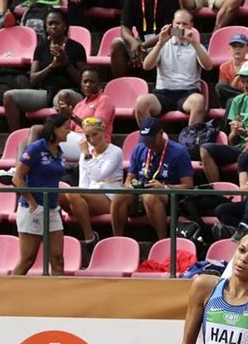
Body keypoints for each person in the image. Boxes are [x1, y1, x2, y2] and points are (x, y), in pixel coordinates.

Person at [3, 9, 86, 131]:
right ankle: (15, 135)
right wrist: (52, 66)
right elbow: (33, 79)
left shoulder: (76, 48)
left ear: (64, 26)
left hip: (70, 92)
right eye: (50, 23)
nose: (53, 26)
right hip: (46, 93)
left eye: (57, 23)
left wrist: (66, 63)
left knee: (63, 95)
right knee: (9, 96)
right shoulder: (41, 48)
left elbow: (83, 82)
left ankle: (62, 135)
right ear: (46, 27)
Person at [111, 116, 194, 239]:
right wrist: (131, 185)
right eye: (146, 141)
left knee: (150, 195)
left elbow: (188, 185)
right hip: (139, 194)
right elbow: (129, 179)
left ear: (161, 134)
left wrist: (164, 187)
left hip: (168, 195)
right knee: (120, 194)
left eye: (152, 140)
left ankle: (162, 240)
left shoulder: (179, 151)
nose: (149, 145)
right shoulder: (139, 149)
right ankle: (117, 239)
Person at [200, 61, 248, 183]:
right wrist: (237, 132)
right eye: (243, 82)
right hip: (241, 146)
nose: (245, 85)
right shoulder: (237, 101)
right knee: (205, 150)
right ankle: (217, 190)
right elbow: (232, 140)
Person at [11, 114, 70, 276]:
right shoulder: (36, 148)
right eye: (66, 127)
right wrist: (32, 204)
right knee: (27, 259)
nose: (69, 131)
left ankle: (58, 298)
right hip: (32, 209)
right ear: (55, 129)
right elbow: (17, 177)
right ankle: (11, 293)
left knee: (58, 258)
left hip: (51, 209)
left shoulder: (58, 151)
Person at [135, 9, 213, 128]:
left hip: (188, 92)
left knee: (198, 101)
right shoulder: (163, 44)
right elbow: (147, 66)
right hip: (163, 92)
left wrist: (195, 44)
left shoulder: (197, 46)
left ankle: (190, 140)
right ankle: (149, 140)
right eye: (178, 23)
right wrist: (160, 43)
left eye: (185, 24)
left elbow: (208, 67)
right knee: (141, 102)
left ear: (191, 26)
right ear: (172, 24)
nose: (180, 27)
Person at [63, 118, 123, 250]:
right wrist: (80, 199)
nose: (91, 139)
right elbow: (83, 181)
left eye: (94, 134)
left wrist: (86, 154)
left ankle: (88, 236)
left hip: (109, 196)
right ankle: (84, 226)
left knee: (73, 193)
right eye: (87, 136)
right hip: (91, 194)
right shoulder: (86, 154)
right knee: (61, 195)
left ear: (103, 132)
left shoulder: (115, 151)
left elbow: (98, 175)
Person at [111, 0, 180, 78]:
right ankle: (121, 83)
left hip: (165, 41)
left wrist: (143, 45)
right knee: (116, 44)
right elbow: (125, 27)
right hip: (141, 42)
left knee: (173, 38)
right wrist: (133, 42)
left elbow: (174, 31)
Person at [215, 32, 248, 107]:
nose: (237, 49)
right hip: (231, 99)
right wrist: (238, 75)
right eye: (234, 46)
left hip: (247, 100)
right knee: (220, 87)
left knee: (231, 101)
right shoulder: (224, 67)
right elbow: (224, 91)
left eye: (241, 46)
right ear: (229, 49)